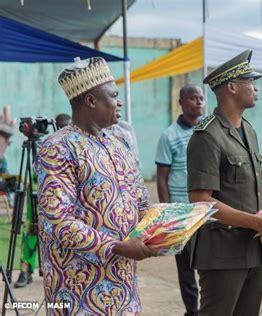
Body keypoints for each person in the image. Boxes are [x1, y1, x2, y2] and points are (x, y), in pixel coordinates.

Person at [35, 57, 159, 315]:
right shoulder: (58, 148)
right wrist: (115, 246)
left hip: (123, 286)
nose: (120, 101)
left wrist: (164, 227)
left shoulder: (118, 143)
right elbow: (58, 222)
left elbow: (140, 198)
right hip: (79, 289)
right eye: (113, 95)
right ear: (91, 100)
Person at [186, 49, 262, 316]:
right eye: (251, 83)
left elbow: (245, 189)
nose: (256, 89)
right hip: (222, 253)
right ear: (232, 87)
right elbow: (201, 200)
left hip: (253, 249)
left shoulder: (248, 130)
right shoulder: (206, 135)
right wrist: (257, 222)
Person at [155, 85, 204, 316]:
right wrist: (167, 212)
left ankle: (209, 309)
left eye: (201, 98)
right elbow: (162, 178)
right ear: (182, 102)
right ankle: (191, 311)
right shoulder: (169, 135)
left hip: (206, 210)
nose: (198, 102)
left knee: (207, 264)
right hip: (181, 213)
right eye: (193, 98)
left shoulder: (209, 130)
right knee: (186, 268)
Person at [14, 113, 72, 289]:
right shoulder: (47, 146)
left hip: (68, 200)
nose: (63, 131)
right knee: (32, 228)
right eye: (60, 127)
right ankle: (26, 269)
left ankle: (64, 271)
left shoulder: (76, 145)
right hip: (41, 194)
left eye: (66, 127)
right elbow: (35, 172)